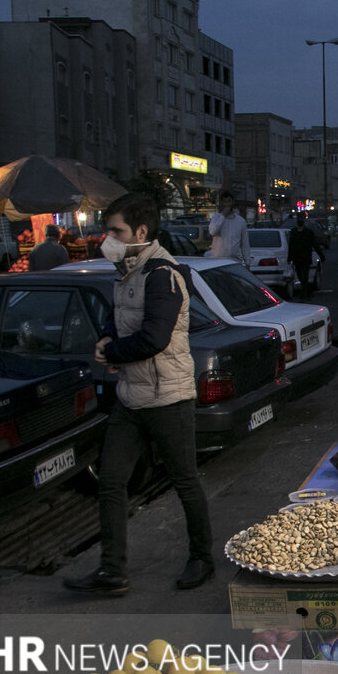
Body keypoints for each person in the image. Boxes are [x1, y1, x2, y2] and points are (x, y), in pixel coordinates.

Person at [63, 193, 214, 596]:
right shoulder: (128, 271)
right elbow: (122, 323)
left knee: (185, 480)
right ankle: (111, 571)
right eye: (107, 229)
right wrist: (107, 339)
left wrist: (111, 352)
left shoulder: (162, 274)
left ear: (141, 232)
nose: (107, 238)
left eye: (116, 231)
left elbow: (154, 338)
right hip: (131, 397)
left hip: (168, 397)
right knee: (110, 481)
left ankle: (202, 557)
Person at [288, 212, 325, 301]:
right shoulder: (293, 232)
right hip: (297, 259)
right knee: (301, 277)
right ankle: (307, 292)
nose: (300, 220)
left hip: (305, 258)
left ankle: (304, 295)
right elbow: (291, 245)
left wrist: (321, 255)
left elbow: (315, 244)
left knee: (304, 276)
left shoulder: (308, 232)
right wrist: (289, 258)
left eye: (301, 219)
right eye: (299, 219)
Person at [208, 190, 250, 266]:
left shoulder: (240, 221)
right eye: (225, 201)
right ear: (221, 203)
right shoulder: (216, 218)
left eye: (229, 201)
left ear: (233, 202)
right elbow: (212, 232)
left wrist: (247, 262)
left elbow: (245, 243)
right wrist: (223, 215)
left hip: (234, 261)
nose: (227, 204)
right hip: (217, 261)